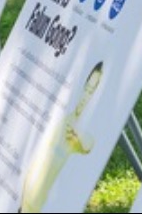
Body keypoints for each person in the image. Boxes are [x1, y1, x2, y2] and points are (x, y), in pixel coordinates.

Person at [20, 61, 104, 212]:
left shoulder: (83, 130)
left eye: (91, 92)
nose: (86, 96)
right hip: (29, 192)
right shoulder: (64, 119)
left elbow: (88, 144)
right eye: (87, 89)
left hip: (44, 202)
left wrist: (79, 139)